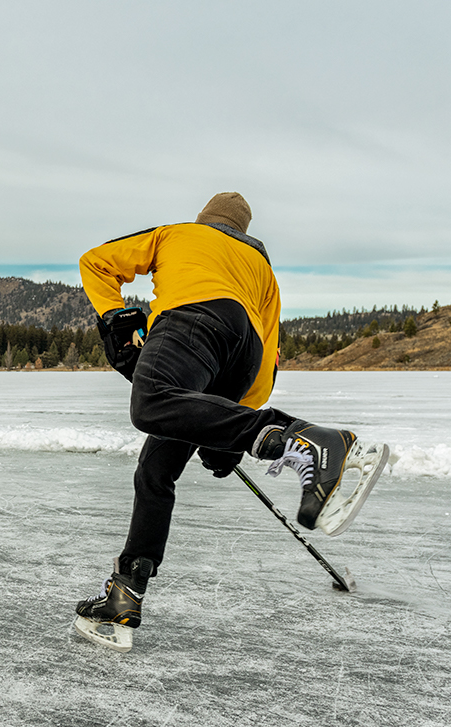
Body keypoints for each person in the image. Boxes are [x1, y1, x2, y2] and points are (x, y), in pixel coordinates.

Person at [74, 192, 385, 650]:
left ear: (205, 220)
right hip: (242, 351)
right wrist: (228, 431)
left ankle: (310, 439)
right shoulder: (263, 271)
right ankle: (126, 591)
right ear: (242, 231)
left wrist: (114, 314)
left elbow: (95, 262)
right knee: (156, 469)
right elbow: (265, 358)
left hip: (191, 321)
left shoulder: (176, 234)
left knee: (150, 403)